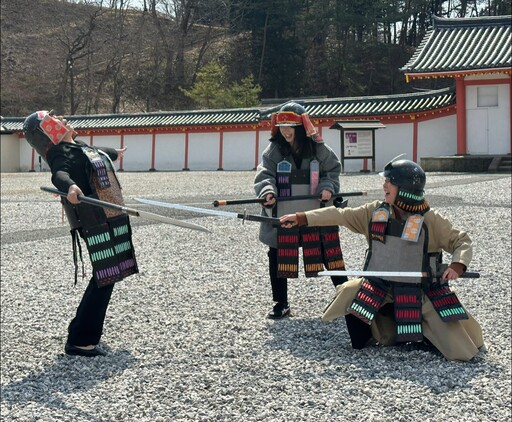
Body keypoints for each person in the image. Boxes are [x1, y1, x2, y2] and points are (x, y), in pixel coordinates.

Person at [279, 158, 485, 362]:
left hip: (422, 290)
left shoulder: (430, 219)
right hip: (380, 286)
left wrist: (457, 265)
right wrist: (302, 218)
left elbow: (461, 240)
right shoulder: (374, 212)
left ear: (404, 188)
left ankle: (427, 334)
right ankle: (368, 338)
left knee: (461, 350)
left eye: (390, 182)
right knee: (349, 291)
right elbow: (340, 215)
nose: (384, 185)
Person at [23, 110, 138, 357]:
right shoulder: (59, 153)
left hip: (111, 216)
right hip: (94, 219)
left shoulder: (77, 145)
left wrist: (114, 153)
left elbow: (95, 152)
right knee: (105, 275)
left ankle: (81, 332)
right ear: (46, 131)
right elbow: (59, 174)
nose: (62, 119)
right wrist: (71, 186)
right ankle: (80, 339)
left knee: (110, 274)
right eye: (54, 120)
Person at [254, 102, 348, 319]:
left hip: (314, 212)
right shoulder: (274, 149)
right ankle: (281, 302)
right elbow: (265, 173)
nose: (286, 131)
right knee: (277, 254)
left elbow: (332, 170)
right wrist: (267, 192)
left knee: (328, 251)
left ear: (301, 126)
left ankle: (346, 295)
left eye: (290, 126)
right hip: (284, 211)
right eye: (282, 126)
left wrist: (327, 187)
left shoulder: (318, 147)